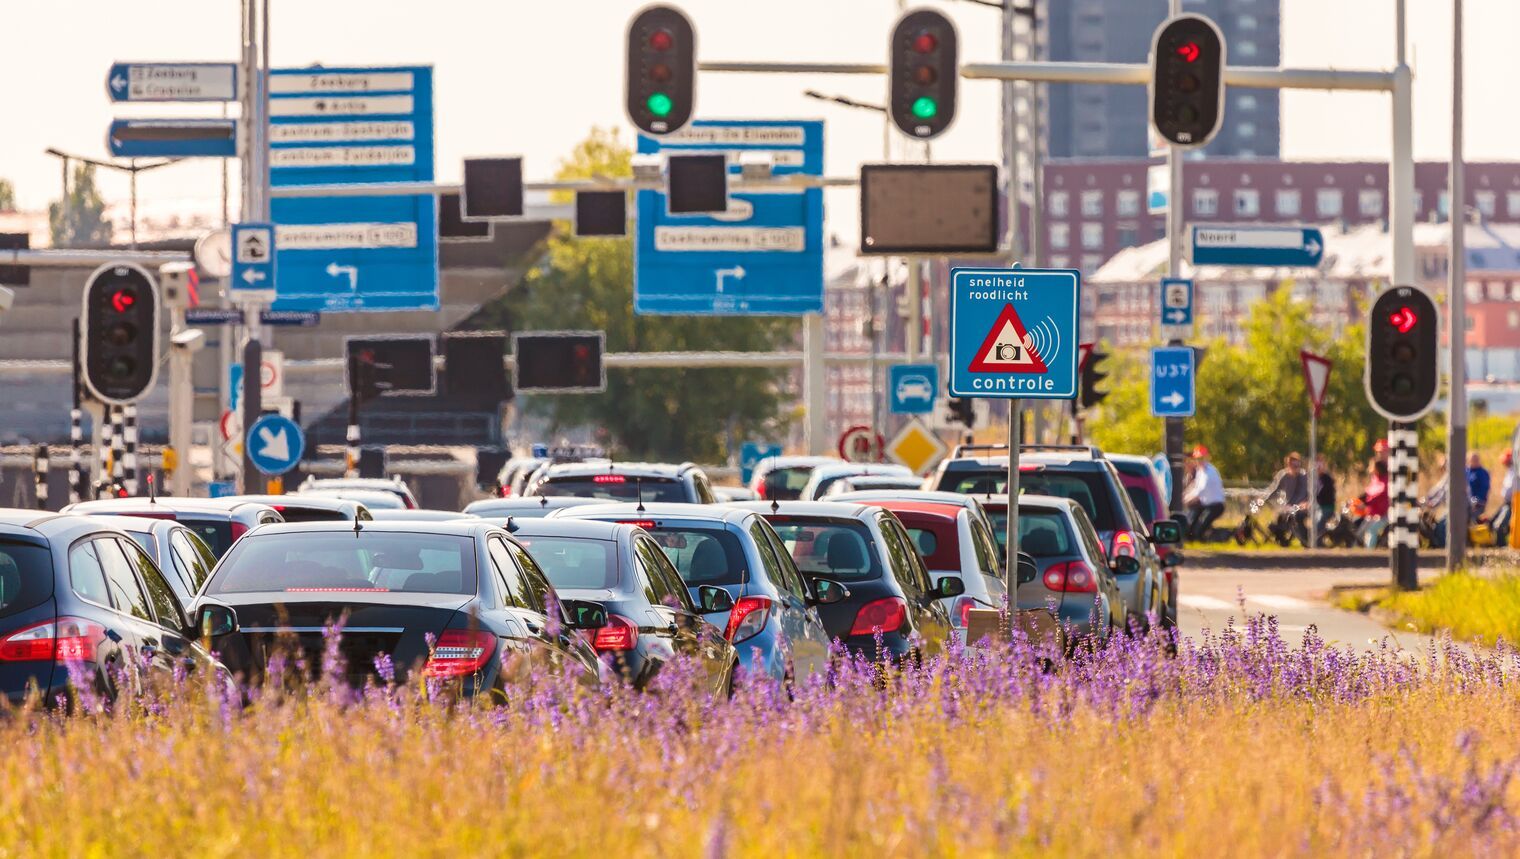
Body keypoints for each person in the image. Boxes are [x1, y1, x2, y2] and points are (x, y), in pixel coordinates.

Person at [1261, 453, 1310, 544]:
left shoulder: (1304, 477)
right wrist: (1264, 500)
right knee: (1280, 518)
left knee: (1298, 516)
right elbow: (1275, 490)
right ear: (1288, 464)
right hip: (1288, 507)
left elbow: (1307, 494)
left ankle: (1305, 540)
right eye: (1293, 464)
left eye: (1297, 464)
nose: (1295, 467)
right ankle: (1282, 540)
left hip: (1301, 508)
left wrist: (1302, 504)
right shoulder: (1284, 476)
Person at [1183, 445, 1226, 540]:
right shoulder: (1200, 471)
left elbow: (1200, 491)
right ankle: (1192, 537)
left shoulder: (1210, 472)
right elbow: (1195, 487)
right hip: (1205, 504)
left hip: (1216, 505)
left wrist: (1185, 499)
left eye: (1201, 458)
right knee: (1191, 523)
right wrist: (1185, 496)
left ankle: (1219, 536)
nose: (1199, 461)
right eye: (1197, 458)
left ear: (1207, 458)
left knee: (1199, 529)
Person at [1358, 460, 1390, 548]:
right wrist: (1359, 500)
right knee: (1361, 531)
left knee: (1372, 530)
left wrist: (1366, 504)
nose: (1369, 469)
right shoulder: (1375, 479)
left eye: (1371, 466)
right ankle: (1360, 549)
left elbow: (1378, 495)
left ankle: (1369, 553)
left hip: (1383, 515)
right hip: (1373, 514)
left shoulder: (1385, 481)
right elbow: (1368, 493)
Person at [1314, 454, 1336, 541]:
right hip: (1317, 507)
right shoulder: (1314, 478)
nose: (1318, 467)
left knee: (1318, 525)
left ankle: (1317, 544)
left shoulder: (1327, 479)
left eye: (1320, 464)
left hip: (1327, 508)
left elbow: (1323, 494)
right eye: (1316, 465)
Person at [1468, 452, 1492, 519]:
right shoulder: (1467, 471)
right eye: (1473, 460)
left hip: (1477, 505)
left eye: (1476, 460)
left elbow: (1484, 489)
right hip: (1466, 503)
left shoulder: (1482, 473)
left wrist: (1474, 501)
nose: (1475, 462)